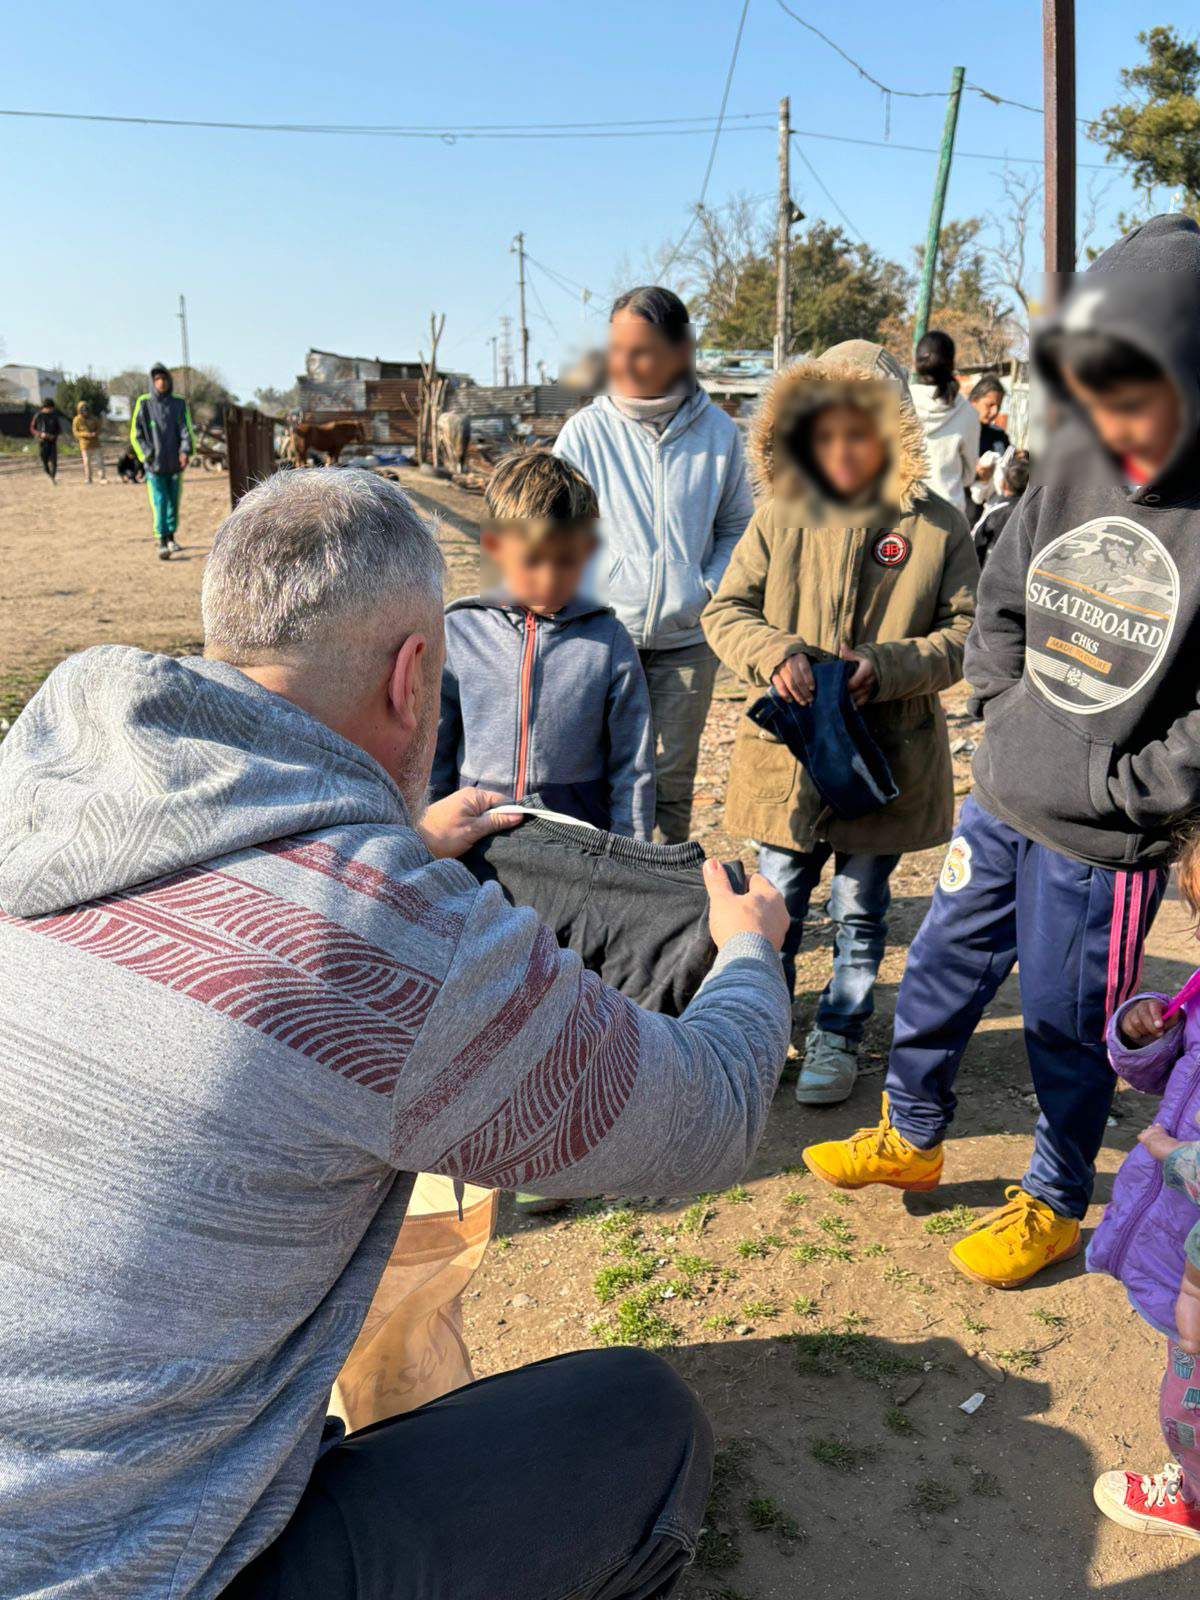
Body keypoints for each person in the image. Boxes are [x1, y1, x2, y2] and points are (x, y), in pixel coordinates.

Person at [0, 467, 791, 1600]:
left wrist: (400, 836)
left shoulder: (39, 793)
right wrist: (750, 948)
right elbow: (709, 1113)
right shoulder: (387, 941)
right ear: (418, 676)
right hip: (120, 1570)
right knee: (640, 1427)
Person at [803, 213, 1200, 1290]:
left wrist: (1129, 786)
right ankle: (914, 1135)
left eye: (1143, 400)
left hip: (1103, 840)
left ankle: (1059, 1199)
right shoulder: (1068, 460)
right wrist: (1003, 707)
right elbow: (1002, 603)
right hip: (1004, 796)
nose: (1117, 428)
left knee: (1070, 1026)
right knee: (936, 969)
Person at [703, 340, 978, 1103]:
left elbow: (967, 636)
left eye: (863, 429)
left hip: (879, 761)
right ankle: (763, 1029)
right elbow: (726, 612)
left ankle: (839, 1033)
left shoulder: (936, 527)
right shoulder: (778, 516)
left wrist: (885, 668)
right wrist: (774, 653)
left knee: (861, 908)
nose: (842, 446)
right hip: (788, 757)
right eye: (825, 429)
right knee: (778, 900)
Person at [554, 286, 755, 843]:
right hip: (597, 635)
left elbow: (737, 525)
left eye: (640, 350)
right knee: (594, 772)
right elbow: (554, 530)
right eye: (616, 348)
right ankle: (602, 898)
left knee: (671, 779)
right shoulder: (585, 434)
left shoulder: (718, 434)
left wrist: (705, 589)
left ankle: (665, 900)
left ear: (680, 353)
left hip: (687, 642)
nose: (624, 363)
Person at [432, 449, 655, 839]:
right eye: (533, 560)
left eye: (566, 561)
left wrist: (630, 854)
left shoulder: (608, 641)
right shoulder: (460, 632)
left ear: (588, 550)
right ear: (495, 547)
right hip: (477, 845)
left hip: (579, 845)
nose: (550, 578)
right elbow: (432, 749)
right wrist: (428, 831)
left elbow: (633, 763)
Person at [1087, 829, 1200, 1543]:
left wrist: (1180, 1158)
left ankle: (1192, 1496)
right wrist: (1143, 1032)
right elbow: (1160, 1075)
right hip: (1183, 1246)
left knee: (1190, 1400)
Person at [908, 330, 979, 514]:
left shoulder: (899, 402)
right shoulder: (967, 412)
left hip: (904, 514)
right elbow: (968, 476)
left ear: (916, 364)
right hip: (949, 517)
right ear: (952, 365)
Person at [131, 361, 196, 559]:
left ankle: (171, 538)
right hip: (154, 465)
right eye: (157, 379)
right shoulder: (144, 403)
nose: (161, 383)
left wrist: (185, 452)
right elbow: (136, 434)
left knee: (173, 502)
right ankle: (162, 540)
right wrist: (147, 455)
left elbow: (186, 431)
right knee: (159, 501)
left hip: (175, 465)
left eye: (164, 378)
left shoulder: (178, 403)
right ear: (152, 382)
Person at [971, 446, 1030, 567]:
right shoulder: (1034, 511)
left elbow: (975, 540)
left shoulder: (996, 511)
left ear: (1003, 485)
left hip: (993, 570)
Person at [965, 373, 1011, 527]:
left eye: (998, 406)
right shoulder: (960, 435)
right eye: (989, 405)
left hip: (995, 516)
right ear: (974, 402)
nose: (995, 411)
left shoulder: (998, 436)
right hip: (965, 516)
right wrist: (974, 472)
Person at [71, 398, 107, 483]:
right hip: (84, 444)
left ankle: (102, 477)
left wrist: (95, 433)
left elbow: (99, 428)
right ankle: (88, 478)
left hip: (96, 443)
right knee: (87, 462)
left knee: (99, 461)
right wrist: (85, 434)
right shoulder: (77, 420)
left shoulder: (94, 418)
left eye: (86, 410)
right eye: (83, 410)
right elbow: (75, 432)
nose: (85, 412)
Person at [30, 397, 61, 482]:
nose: (51, 410)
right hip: (42, 442)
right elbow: (32, 429)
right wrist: (41, 434)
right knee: (44, 462)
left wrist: (54, 436)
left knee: (54, 462)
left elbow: (58, 429)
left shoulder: (54, 416)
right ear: (45, 407)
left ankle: (53, 478)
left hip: (52, 442)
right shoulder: (38, 416)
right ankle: (49, 475)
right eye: (50, 408)